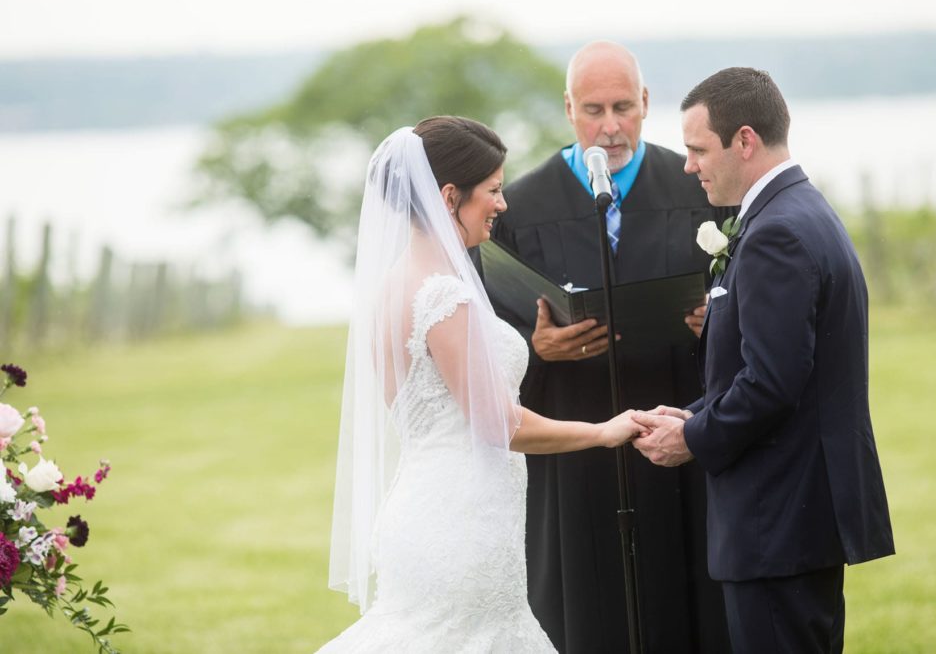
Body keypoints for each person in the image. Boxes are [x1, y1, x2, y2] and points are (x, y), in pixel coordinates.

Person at [317, 116, 646, 653]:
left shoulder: (395, 282)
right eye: (493, 190)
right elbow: (499, 423)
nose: (503, 203)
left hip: (425, 509)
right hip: (460, 526)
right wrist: (603, 432)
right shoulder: (444, 295)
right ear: (450, 196)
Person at [632, 68, 896, 653]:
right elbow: (768, 367)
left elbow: (772, 385)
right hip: (796, 517)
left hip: (778, 520)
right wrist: (689, 411)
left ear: (744, 140)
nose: (688, 165)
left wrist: (692, 437)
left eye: (698, 149)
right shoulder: (800, 210)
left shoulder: (776, 232)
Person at [489, 41, 732, 652]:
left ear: (646, 103)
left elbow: (750, 310)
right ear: (568, 108)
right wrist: (537, 345)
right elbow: (491, 338)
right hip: (577, 447)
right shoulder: (520, 208)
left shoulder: (696, 189)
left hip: (679, 436)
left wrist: (719, 327)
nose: (610, 126)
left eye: (624, 106)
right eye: (593, 109)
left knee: (690, 601)